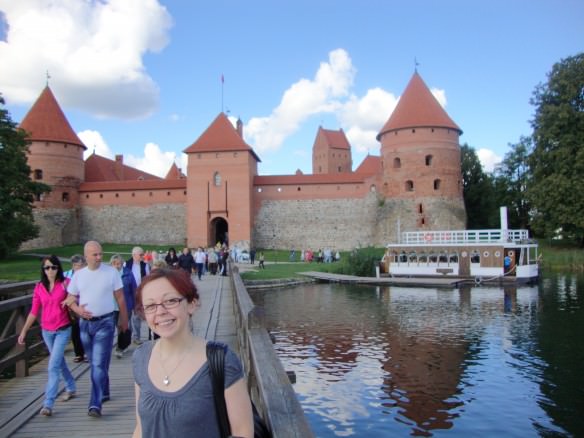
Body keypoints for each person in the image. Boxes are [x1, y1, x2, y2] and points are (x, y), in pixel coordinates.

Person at [132, 268, 253, 438]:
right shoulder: (141, 357)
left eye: (171, 301)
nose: (160, 312)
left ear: (192, 304)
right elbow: (141, 428)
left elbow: (243, 432)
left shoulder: (221, 360)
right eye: (150, 306)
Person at [66, 241, 129, 418]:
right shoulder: (79, 275)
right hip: (85, 324)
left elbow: (121, 298)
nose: (99, 257)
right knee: (96, 362)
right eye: (95, 255)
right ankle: (105, 390)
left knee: (98, 363)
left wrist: (124, 321)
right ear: (86, 256)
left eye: (100, 254)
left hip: (106, 322)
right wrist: (78, 310)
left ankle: (95, 403)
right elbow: (70, 298)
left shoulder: (111, 272)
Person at [18, 255, 77, 417]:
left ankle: (48, 404)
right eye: (47, 268)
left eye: (53, 267)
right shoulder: (39, 287)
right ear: (43, 270)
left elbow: (76, 296)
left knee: (53, 366)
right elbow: (33, 311)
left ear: (58, 268)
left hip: (63, 329)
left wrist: (72, 298)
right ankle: (71, 386)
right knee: (58, 361)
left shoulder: (66, 283)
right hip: (47, 331)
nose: (50, 270)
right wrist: (23, 331)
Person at [124, 247, 150, 345]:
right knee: (127, 316)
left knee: (137, 316)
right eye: (141, 255)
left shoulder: (145, 265)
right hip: (127, 294)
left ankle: (136, 337)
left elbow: (148, 279)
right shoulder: (126, 264)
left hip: (139, 293)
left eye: (143, 254)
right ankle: (127, 336)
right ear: (134, 255)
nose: (142, 256)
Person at [63, 254, 86, 363]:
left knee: (85, 330)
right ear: (73, 266)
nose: (79, 268)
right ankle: (79, 353)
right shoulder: (66, 276)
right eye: (77, 265)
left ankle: (86, 352)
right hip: (71, 308)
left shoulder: (87, 275)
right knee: (75, 331)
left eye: (81, 265)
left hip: (84, 306)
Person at [110, 254, 132, 359]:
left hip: (125, 305)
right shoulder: (108, 275)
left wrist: (135, 304)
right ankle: (125, 343)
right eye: (115, 264)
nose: (117, 266)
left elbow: (134, 288)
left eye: (119, 263)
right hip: (112, 306)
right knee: (114, 326)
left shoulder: (127, 273)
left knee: (121, 325)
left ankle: (119, 348)